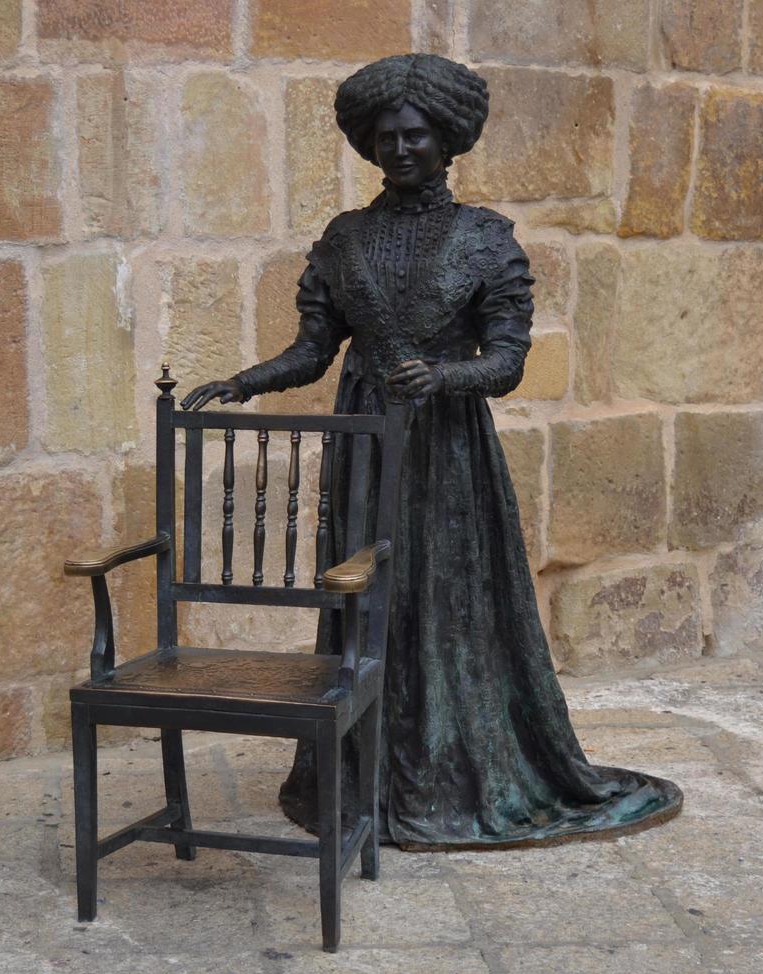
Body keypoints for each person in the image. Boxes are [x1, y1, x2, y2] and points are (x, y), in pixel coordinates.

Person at [181, 53, 681, 849]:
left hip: (447, 456)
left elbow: (508, 361)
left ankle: (461, 768)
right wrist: (243, 381)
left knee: (448, 604)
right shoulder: (344, 241)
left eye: (414, 135)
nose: (399, 149)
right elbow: (313, 349)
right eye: (384, 137)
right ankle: (364, 773)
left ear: (446, 141)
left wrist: (445, 373)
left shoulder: (485, 240)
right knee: (369, 598)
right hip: (365, 451)